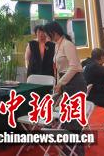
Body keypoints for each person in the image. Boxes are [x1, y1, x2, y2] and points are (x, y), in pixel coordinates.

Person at [44, 21, 87, 155]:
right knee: (67, 117)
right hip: (66, 82)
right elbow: (58, 69)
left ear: (54, 32)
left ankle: (75, 150)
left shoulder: (67, 45)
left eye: (47, 34)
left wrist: (61, 83)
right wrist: (58, 85)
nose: (46, 37)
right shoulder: (57, 45)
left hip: (75, 83)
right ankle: (70, 149)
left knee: (73, 118)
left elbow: (74, 67)